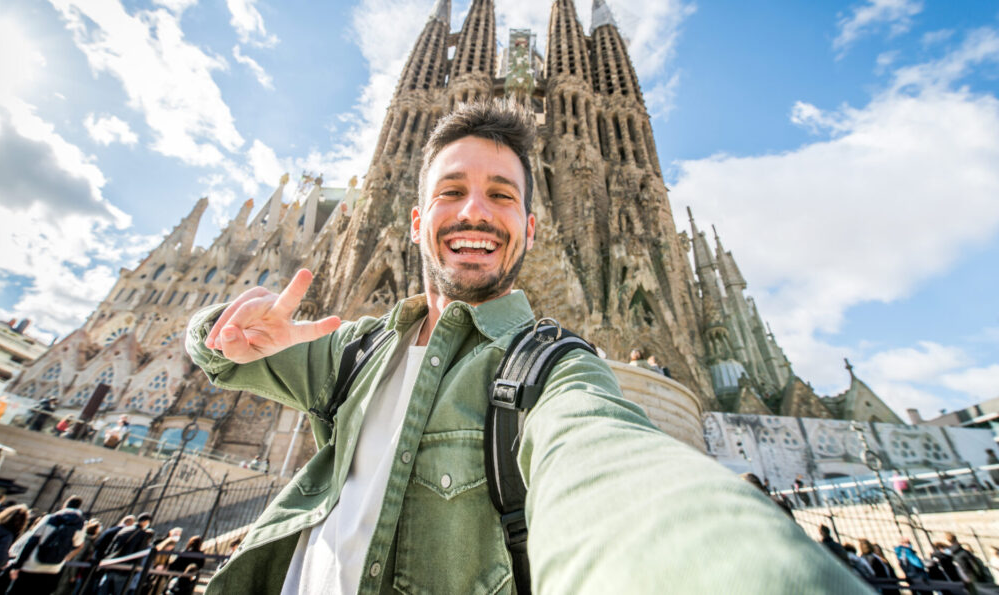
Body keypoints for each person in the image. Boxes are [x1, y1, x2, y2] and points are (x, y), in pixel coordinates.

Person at [186, 100, 870, 593]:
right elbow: (214, 357)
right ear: (418, 219)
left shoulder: (553, 369)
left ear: (533, 228)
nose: (475, 211)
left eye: (501, 195)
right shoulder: (356, 349)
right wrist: (224, 330)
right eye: (452, 190)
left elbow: (604, 460)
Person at [7, 495, 85, 593]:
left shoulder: (50, 518)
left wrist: (17, 565)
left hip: (31, 565)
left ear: (65, 505)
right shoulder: (80, 525)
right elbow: (77, 545)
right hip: (53, 568)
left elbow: (31, 542)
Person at [97, 513, 154, 595]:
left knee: (103, 591)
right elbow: (139, 554)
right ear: (146, 522)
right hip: (125, 570)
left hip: (112, 566)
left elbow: (111, 548)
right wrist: (135, 570)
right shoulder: (142, 534)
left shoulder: (124, 530)